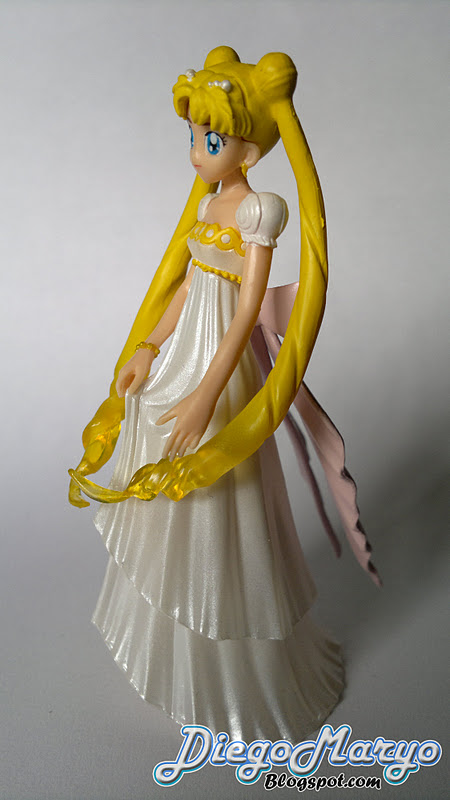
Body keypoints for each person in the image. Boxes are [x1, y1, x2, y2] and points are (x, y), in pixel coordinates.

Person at [69, 46, 359, 742]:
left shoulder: (259, 209)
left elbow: (244, 309)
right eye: (195, 136)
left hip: (221, 365)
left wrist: (207, 394)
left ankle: (231, 648)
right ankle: (172, 630)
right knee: (150, 425)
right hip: (186, 352)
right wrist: (148, 345)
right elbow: (190, 287)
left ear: (249, 149)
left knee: (218, 478)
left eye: (213, 139)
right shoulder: (207, 203)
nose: (198, 151)